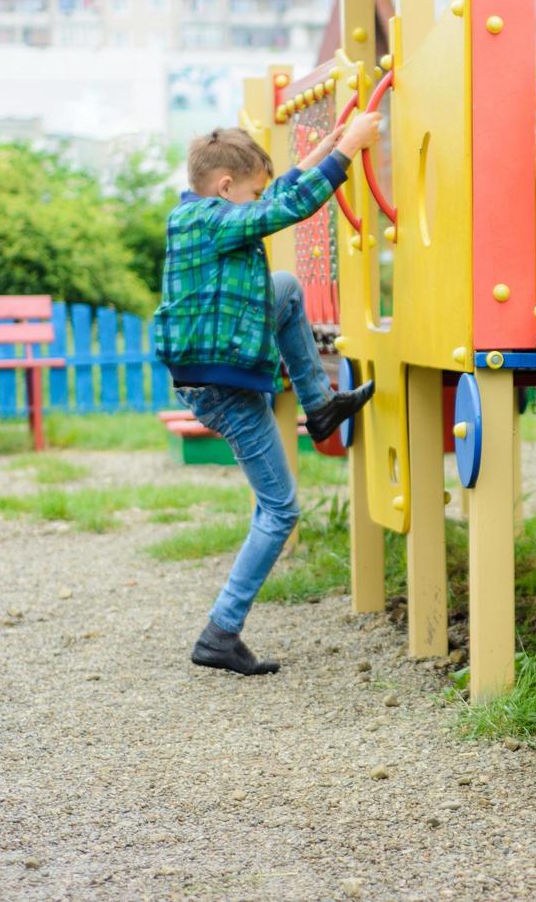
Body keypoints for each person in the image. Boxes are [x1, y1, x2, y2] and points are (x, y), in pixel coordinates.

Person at [155, 117, 382, 676]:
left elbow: (274, 198)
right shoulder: (208, 221)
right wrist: (348, 153)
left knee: (283, 287)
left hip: (225, 375)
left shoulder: (207, 215)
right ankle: (220, 633)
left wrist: (327, 147)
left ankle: (320, 405)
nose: (259, 198)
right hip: (222, 387)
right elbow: (283, 210)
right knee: (280, 510)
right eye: (251, 190)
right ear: (226, 187)